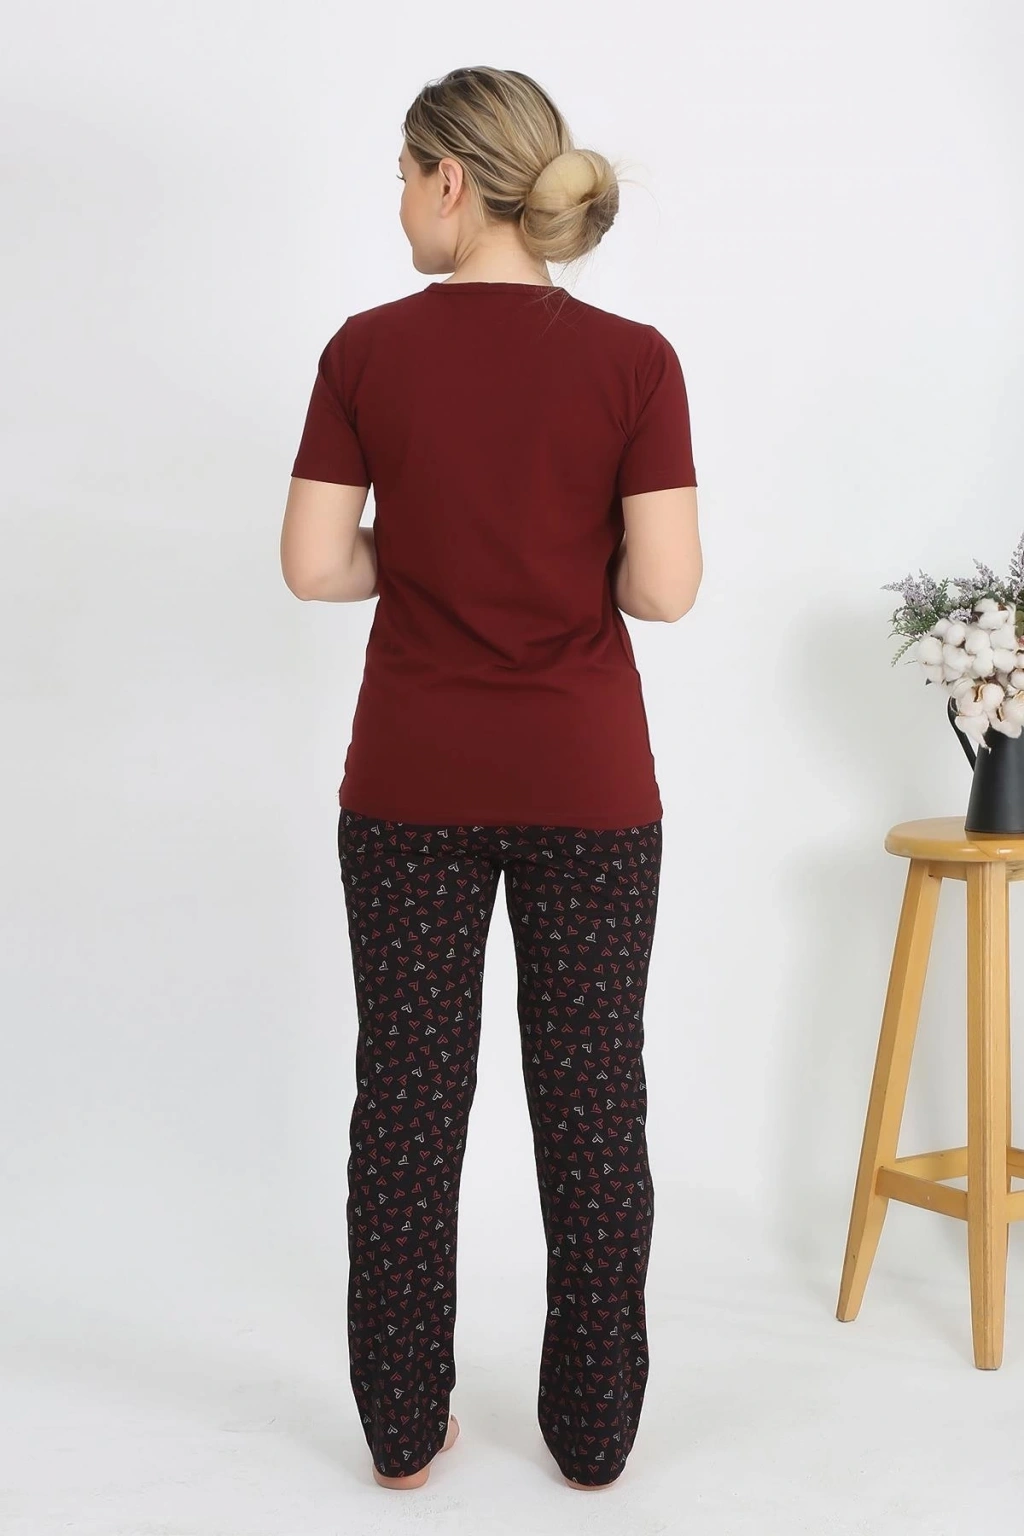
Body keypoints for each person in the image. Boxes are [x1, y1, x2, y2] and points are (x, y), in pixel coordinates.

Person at [280, 64, 702, 1493]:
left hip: (409, 783)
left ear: (452, 181)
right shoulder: (635, 361)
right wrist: (564, 558)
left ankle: (404, 1432)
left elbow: (314, 565)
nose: (399, 204)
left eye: (405, 177)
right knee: (591, 1104)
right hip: (590, 784)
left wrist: (425, 556)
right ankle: (592, 1435)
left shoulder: (365, 352)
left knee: (407, 1104)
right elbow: (666, 589)